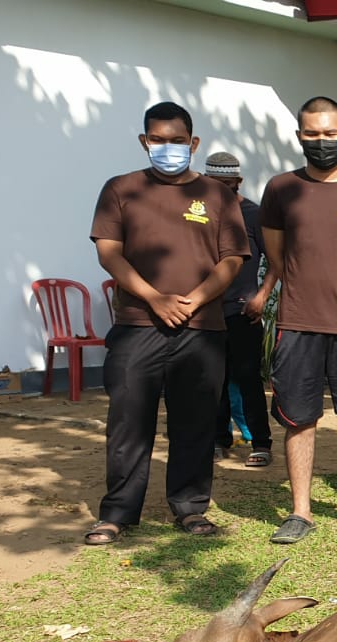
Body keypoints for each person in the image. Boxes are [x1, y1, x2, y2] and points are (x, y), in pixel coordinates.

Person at [85, 101, 248, 545]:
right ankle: (118, 512)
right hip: (139, 325)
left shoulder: (218, 195)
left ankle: (190, 508)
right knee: (128, 422)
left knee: (194, 423)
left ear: (193, 144)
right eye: (158, 140)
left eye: (177, 141)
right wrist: (154, 297)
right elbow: (108, 252)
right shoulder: (121, 189)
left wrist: (193, 300)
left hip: (202, 329)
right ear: (144, 141)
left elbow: (232, 258)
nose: (168, 148)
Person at [247, 96, 337, 544]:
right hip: (298, 321)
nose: (322, 142)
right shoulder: (280, 189)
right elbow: (275, 251)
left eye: (330, 134)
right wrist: (306, 285)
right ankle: (300, 512)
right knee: (299, 418)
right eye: (312, 134)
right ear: (299, 137)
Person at [204, 151, 273, 468]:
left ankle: (261, 442)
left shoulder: (254, 214)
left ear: (238, 182)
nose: (220, 190)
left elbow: (277, 260)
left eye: (226, 184)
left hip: (244, 311)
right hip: (205, 312)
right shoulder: (197, 214)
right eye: (214, 184)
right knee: (212, 379)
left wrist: (262, 296)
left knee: (248, 379)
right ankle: (219, 438)